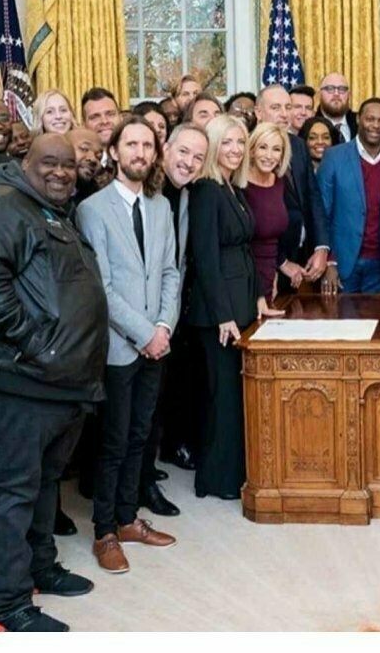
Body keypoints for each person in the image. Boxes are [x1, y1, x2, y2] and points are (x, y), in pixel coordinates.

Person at [0, 132, 110, 633]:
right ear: (24, 161)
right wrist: (40, 344)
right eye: (49, 163)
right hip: (12, 380)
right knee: (9, 493)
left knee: (43, 486)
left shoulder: (49, 209)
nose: (61, 172)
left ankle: (40, 569)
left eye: (68, 164)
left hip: (56, 382)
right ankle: (6, 606)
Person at [75, 116, 181, 574]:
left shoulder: (161, 206)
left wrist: (163, 328)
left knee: (141, 436)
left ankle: (127, 518)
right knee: (114, 441)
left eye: (147, 145)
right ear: (113, 152)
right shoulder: (92, 209)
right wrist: (144, 333)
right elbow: (101, 287)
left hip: (157, 343)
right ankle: (104, 532)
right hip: (120, 348)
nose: (140, 152)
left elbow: (171, 273)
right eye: (131, 144)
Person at [186, 115, 283, 499]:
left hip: (241, 304)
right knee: (223, 397)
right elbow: (206, 259)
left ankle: (232, 472)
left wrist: (258, 298)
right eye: (227, 142)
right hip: (217, 315)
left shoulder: (232, 187)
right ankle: (217, 480)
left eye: (240, 142)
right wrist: (225, 315)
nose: (235, 150)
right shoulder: (207, 190)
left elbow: (244, 249)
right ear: (211, 145)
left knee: (234, 395)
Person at [148, 123, 209, 488]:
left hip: (173, 307)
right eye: (183, 152)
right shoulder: (150, 192)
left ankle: (163, 452)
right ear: (166, 148)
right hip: (143, 313)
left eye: (198, 157)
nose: (188, 162)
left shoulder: (188, 194)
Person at [318, 99, 380, 293]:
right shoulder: (334, 157)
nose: (376, 126)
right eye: (370, 119)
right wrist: (330, 262)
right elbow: (321, 215)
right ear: (358, 119)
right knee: (342, 323)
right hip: (342, 265)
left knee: (379, 323)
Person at [254, 85, 330, 284]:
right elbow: (254, 220)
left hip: (303, 258)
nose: (284, 114)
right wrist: (282, 261)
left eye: (288, 107)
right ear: (258, 113)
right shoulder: (249, 149)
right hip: (268, 263)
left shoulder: (297, 144)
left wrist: (322, 247)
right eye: (276, 108)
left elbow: (313, 197)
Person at [237, 122, 299, 298]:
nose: (269, 156)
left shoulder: (280, 182)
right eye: (263, 147)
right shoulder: (239, 184)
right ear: (252, 150)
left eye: (276, 149)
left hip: (271, 275)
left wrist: (279, 266)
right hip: (244, 278)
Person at [317, 72, 356, 143]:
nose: (336, 94)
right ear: (319, 94)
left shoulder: (361, 124)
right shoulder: (311, 127)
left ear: (349, 95)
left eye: (342, 89)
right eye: (330, 89)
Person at [82, 87, 122, 152]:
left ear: (121, 118)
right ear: (84, 124)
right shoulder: (76, 160)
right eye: (95, 117)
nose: (104, 121)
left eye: (110, 114)